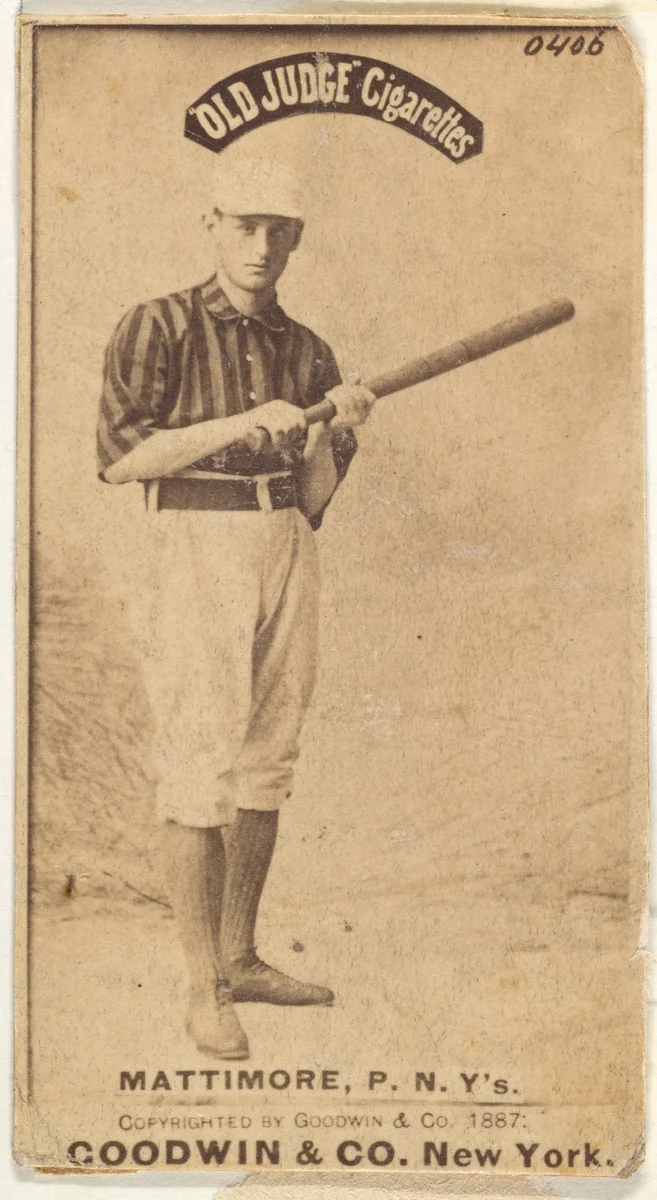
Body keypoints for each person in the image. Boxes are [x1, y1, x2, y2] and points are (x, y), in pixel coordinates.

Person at [96, 155, 375, 1060]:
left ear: (295, 240)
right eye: (245, 226)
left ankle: (242, 956)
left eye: (279, 231)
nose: (260, 246)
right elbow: (120, 458)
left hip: (283, 537)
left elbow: (316, 495)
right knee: (199, 760)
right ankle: (199, 985)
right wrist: (239, 424)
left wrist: (335, 432)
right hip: (193, 543)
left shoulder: (308, 348)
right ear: (213, 224)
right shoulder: (158, 325)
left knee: (267, 757)